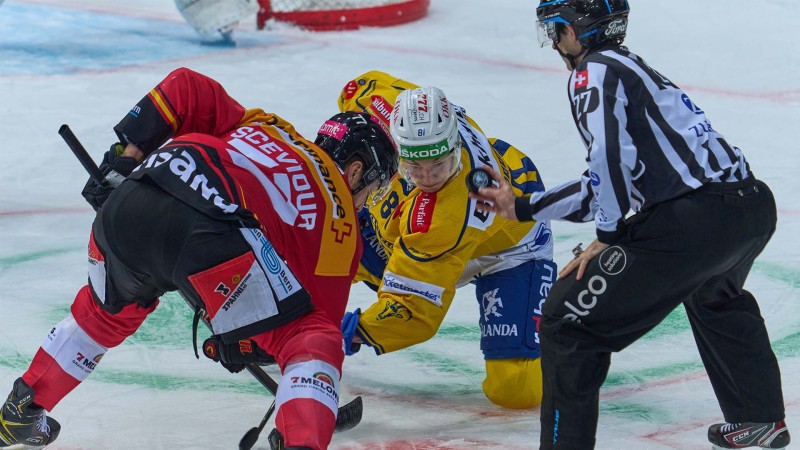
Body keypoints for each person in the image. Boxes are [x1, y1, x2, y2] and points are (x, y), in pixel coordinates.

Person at [0, 67, 397, 450]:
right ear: (355, 170)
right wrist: (244, 346)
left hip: (134, 195)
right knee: (311, 338)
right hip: (211, 235)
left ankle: (22, 410)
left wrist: (127, 159)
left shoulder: (268, 125)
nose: (368, 201)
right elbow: (303, 333)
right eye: (375, 188)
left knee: (106, 314)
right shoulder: (342, 221)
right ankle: (300, 442)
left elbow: (186, 86)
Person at [472, 1, 791, 449]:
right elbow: (604, 183)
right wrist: (522, 206)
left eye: (555, 29)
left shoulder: (593, 73)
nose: (554, 42)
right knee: (714, 295)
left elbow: (608, 164)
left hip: (694, 222)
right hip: (749, 209)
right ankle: (759, 418)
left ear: (573, 30)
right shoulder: (630, 67)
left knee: (565, 321)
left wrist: (608, 235)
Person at [337, 71, 556, 410]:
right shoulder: (386, 103)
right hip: (428, 238)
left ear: (454, 144)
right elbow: (355, 89)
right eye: (414, 166)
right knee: (332, 236)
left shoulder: (447, 215)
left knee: (516, 389)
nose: (427, 178)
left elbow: (413, 310)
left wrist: (353, 332)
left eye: (439, 164)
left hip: (508, 245)